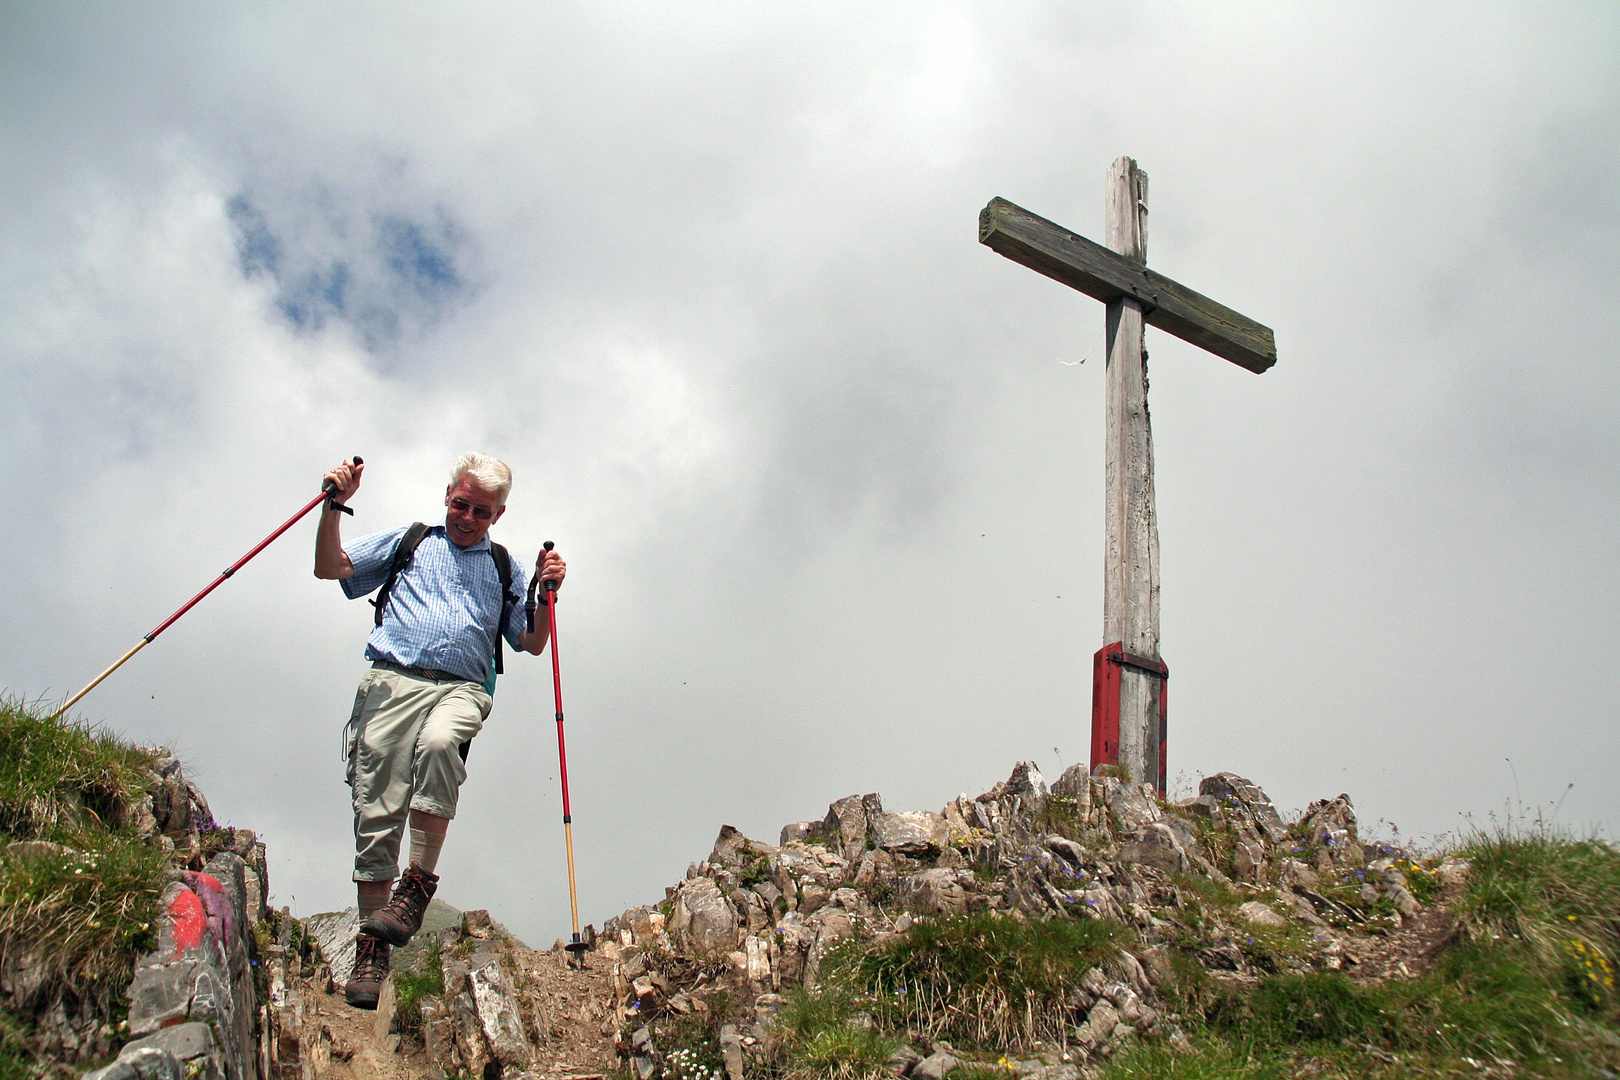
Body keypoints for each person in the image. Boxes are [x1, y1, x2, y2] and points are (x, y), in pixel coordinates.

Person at [314, 452, 565, 1009]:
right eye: (461, 504)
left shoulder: (504, 566)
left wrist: (547, 594)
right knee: (376, 806)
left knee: (440, 743)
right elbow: (331, 568)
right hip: (391, 679)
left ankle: (417, 886)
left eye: (481, 510)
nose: (468, 517)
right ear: (446, 496)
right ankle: (371, 949)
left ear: (498, 515)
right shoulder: (412, 541)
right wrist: (334, 508)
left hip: (462, 688)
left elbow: (531, 641)